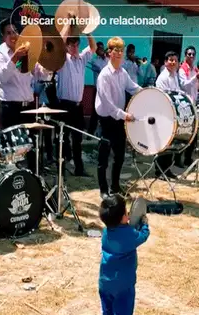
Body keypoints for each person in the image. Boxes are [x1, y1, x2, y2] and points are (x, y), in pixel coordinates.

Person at [0, 20, 49, 169]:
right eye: (9, 33)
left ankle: (34, 182)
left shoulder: (27, 52)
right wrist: (15, 57)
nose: (13, 35)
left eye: (15, 31)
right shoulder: (0, 53)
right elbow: (2, 77)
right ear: (3, 36)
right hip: (11, 109)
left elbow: (41, 76)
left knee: (31, 149)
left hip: (28, 109)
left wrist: (47, 64)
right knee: (12, 152)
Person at [95, 37, 143, 197]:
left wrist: (147, 93)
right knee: (103, 158)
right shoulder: (104, 76)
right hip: (107, 120)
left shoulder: (123, 73)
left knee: (119, 156)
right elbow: (108, 105)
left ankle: (115, 187)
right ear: (109, 53)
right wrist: (125, 115)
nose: (119, 54)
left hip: (119, 121)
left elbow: (133, 87)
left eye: (121, 51)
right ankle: (103, 190)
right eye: (116, 50)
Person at [98, 194, 150, 315]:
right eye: (127, 213)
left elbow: (124, 235)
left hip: (105, 279)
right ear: (122, 218)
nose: (128, 215)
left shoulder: (106, 231)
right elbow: (142, 237)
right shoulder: (128, 233)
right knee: (123, 304)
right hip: (123, 282)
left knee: (107, 301)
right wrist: (144, 224)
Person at [56, 32, 95, 178]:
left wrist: (88, 32)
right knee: (63, 139)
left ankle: (79, 168)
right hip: (64, 105)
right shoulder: (62, 59)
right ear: (67, 45)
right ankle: (63, 168)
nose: (75, 47)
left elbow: (92, 47)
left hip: (78, 106)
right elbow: (59, 46)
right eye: (72, 44)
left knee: (77, 139)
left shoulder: (81, 59)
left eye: (77, 44)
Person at [154, 51, 199, 177]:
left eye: (175, 60)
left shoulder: (174, 75)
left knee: (170, 144)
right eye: (170, 60)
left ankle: (167, 170)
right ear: (165, 62)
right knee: (163, 144)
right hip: (163, 113)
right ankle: (159, 171)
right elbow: (164, 96)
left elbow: (177, 92)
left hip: (172, 114)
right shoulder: (163, 78)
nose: (173, 62)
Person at [88, 41, 108, 134]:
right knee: (95, 112)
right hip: (98, 89)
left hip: (106, 89)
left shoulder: (107, 60)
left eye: (102, 48)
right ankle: (90, 132)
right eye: (99, 48)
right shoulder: (94, 60)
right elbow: (101, 69)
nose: (101, 50)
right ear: (96, 50)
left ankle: (104, 132)